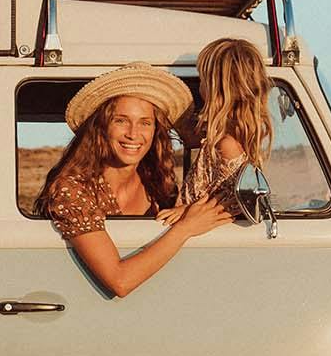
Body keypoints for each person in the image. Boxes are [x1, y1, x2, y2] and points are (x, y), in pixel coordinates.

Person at [36, 63, 232, 298]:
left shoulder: (157, 183)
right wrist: (184, 229)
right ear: (101, 127)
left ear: (155, 130)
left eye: (145, 123)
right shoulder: (72, 189)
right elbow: (120, 281)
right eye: (121, 120)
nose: (133, 133)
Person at [157, 37, 273, 224]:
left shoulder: (227, 144)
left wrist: (186, 210)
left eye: (202, 80)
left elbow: (235, 202)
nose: (200, 86)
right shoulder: (222, 138)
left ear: (214, 89)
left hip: (192, 225)